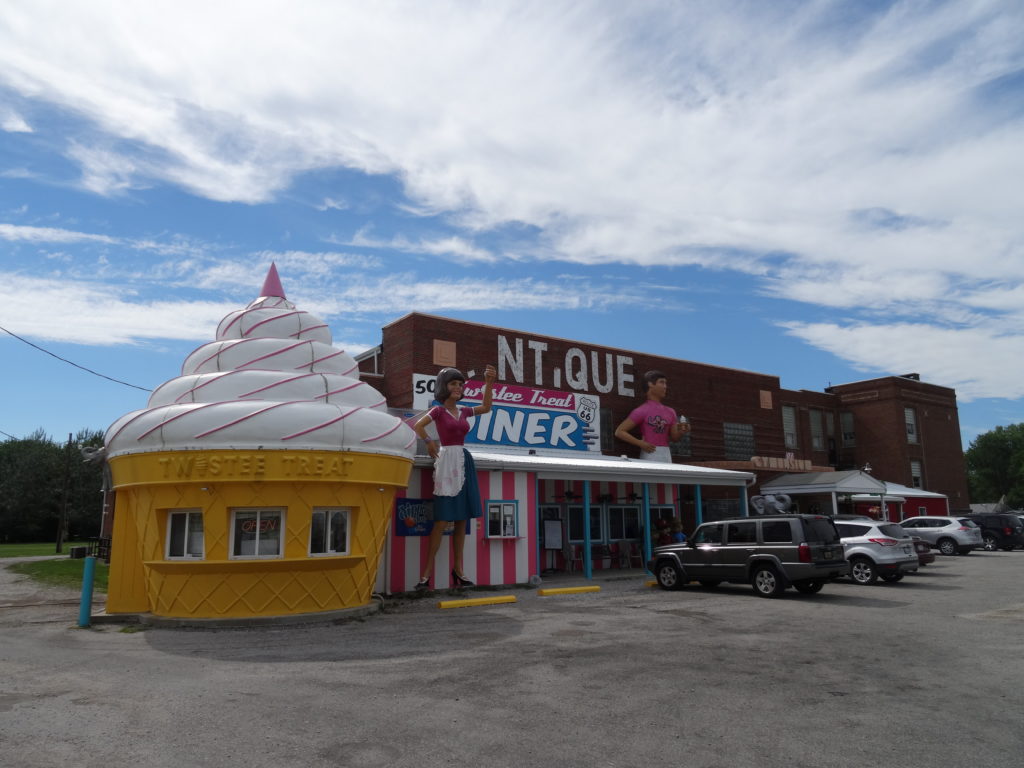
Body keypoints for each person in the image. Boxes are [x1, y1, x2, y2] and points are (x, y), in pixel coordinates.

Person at [412, 363, 497, 590]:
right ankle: (425, 574)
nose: (458, 387)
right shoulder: (438, 410)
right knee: (441, 520)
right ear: (444, 386)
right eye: (453, 383)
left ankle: (458, 570)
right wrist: (429, 442)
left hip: (464, 460)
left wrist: (488, 384)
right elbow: (417, 425)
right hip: (446, 460)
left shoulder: (464, 411)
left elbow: (486, 407)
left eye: (460, 384)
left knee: (462, 519)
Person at [614, 370, 690, 462]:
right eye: (661, 382)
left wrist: (681, 432)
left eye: (665, 383)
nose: (665, 386)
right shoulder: (642, 410)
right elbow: (619, 431)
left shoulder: (670, 411)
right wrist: (640, 443)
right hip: (649, 453)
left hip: (666, 453)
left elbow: (674, 438)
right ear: (650, 384)